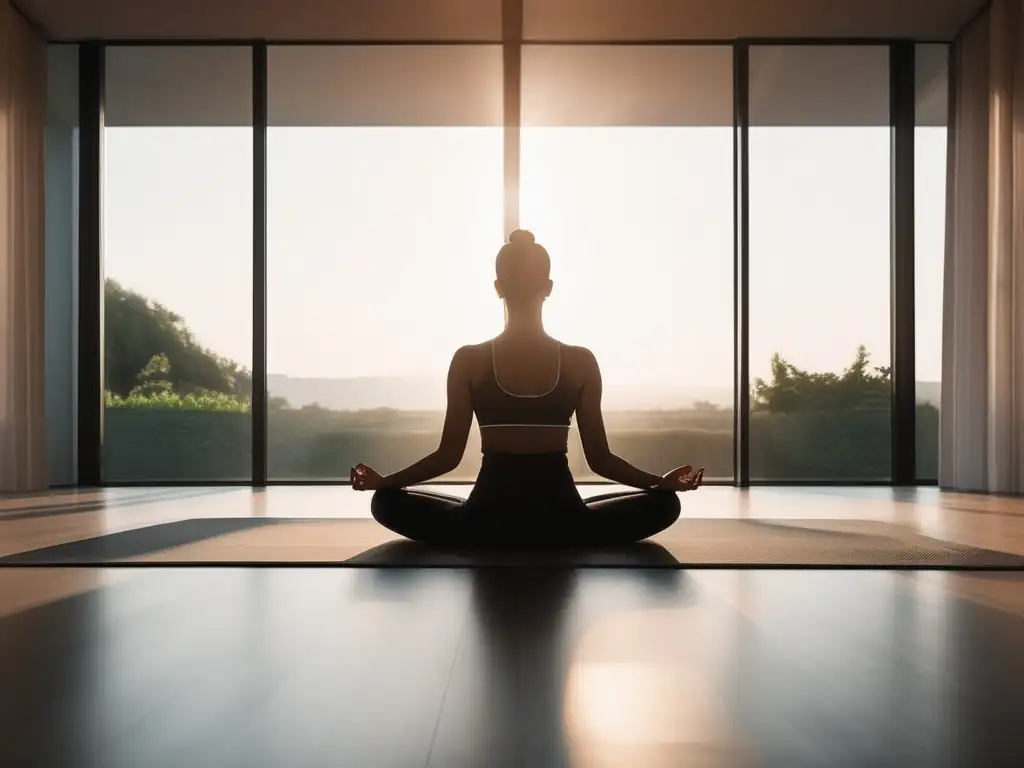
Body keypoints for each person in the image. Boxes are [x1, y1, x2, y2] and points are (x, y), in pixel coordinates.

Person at [352, 229, 703, 548]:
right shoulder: (581, 361)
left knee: (386, 502)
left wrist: (385, 483)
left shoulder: (468, 360)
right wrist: (659, 484)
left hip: (485, 521)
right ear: (548, 287)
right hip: (564, 520)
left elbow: (448, 456)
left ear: (497, 287)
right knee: (664, 504)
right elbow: (601, 461)